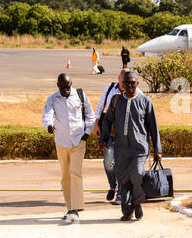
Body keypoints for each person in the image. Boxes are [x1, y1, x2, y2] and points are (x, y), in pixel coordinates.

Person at [100, 71, 162, 221]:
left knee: (137, 174)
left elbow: (153, 127)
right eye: (126, 83)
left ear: (137, 84)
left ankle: (137, 202)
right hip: (121, 149)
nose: (129, 86)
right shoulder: (116, 101)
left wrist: (157, 149)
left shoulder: (146, 102)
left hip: (139, 149)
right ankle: (127, 211)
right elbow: (107, 121)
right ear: (122, 85)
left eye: (132, 83)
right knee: (123, 180)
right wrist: (103, 140)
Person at [42, 73, 95, 222]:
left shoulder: (80, 95)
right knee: (65, 175)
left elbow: (90, 115)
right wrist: (49, 125)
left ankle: (74, 209)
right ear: (58, 87)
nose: (65, 90)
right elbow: (47, 114)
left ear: (71, 84)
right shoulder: (52, 99)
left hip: (79, 140)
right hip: (62, 142)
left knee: (75, 172)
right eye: (62, 88)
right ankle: (70, 207)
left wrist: (86, 133)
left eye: (68, 87)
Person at [92, 69, 143, 205]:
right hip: (111, 133)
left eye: (126, 82)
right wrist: (96, 124)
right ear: (119, 79)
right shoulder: (109, 89)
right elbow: (100, 107)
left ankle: (121, 194)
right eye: (122, 82)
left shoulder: (139, 94)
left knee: (122, 165)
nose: (124, 86)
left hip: (126, 138)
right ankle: (113, 186)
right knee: (108, 162)